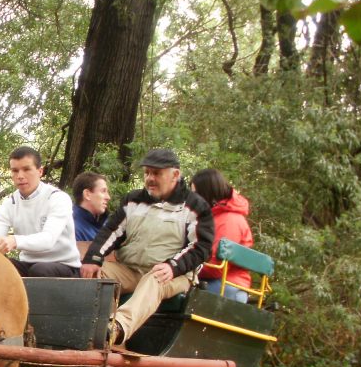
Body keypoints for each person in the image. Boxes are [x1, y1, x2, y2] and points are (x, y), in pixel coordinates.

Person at [81, 148, 215, 346]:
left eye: (157, 173)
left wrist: (173, 266)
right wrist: (93, 258)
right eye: (147, 173)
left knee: (155, 278)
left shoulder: (195, 206)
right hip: (131, 269)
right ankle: (88, 333)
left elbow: (201, 247)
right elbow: (111, 231)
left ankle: (115, 329)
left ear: (175, 175)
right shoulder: (134, 200)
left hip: (173, 275)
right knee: (94, 273)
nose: (150, 178)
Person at [0, 146, 82, 277]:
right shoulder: (10, 203)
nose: (20, 176)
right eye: (15, 171)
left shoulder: (57, 198)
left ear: (40, 171)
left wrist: (14, 241)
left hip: (64, 266)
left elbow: (48, 239)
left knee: (39, 271)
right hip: (28, 264)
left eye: (26, 169)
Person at [191, 168, 253, 303]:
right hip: (215, 281)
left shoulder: (228, 220)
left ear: (206, 193)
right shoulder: (215, 217)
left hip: (226, 285)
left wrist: (182, 267)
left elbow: (216, 267)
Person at [71, 172, 111, 241]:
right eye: (103, 191)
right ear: (87, 194)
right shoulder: (72, 228)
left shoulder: (106, 226)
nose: (108, 197)